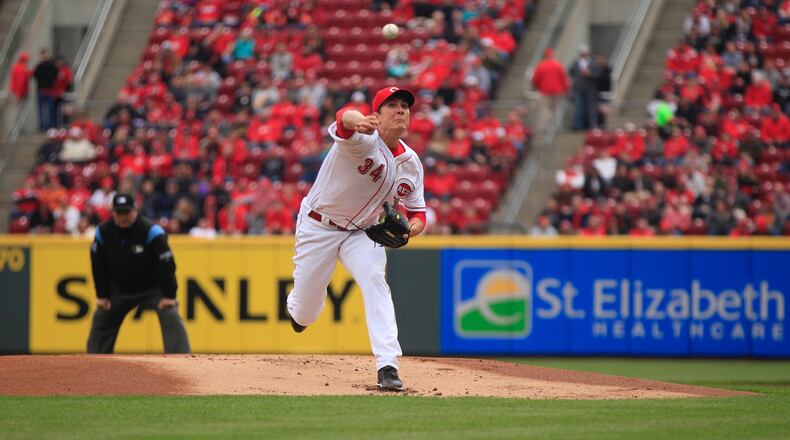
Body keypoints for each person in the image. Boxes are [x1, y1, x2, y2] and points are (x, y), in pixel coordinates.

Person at [286, 86, 426, 390]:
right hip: (319, 225)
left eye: (405, 105)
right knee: (305, 313)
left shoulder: (412, 163)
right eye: (393, 105)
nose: (401, 109)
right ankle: (297, 307)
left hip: (363, 232)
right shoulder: (362, 141)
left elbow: (418, 214)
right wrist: (357, 119)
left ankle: (387, 365)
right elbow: (342, 119)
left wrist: (410, 230)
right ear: (377, 115)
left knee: (375, 280)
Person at [87, 193, 191, 354]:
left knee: (170, 312)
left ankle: (181, 359)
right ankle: (93, 362)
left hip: (152, 288)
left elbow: (167, 264)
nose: (122, 217)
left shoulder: (151, 231)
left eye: (126, 212)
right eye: (119, 213)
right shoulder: (103, 232)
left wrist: (169, 295)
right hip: (119, 290)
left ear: (135, 211)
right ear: (113, 213)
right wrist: (102, 295)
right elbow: (98, 266)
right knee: (102, 316)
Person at [529, 48, 569, 133]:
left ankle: (545, 129)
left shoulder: (541, 66)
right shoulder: (558, 65)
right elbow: (564, 78)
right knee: (556, 110)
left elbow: (535, 79)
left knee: (545, 110)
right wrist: (566, 89)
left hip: (545, 91)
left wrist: (537, 87)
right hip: (557, 91)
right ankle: (555, 129)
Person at [33, 49, 59, 131]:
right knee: (50, 109)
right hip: (50, 90)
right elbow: (56, 76)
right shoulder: (53, 66)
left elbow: (35, 76)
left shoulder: (38, 66)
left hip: (41, 90)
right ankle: (50, 126)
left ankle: (43, 127)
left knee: (42, 110)